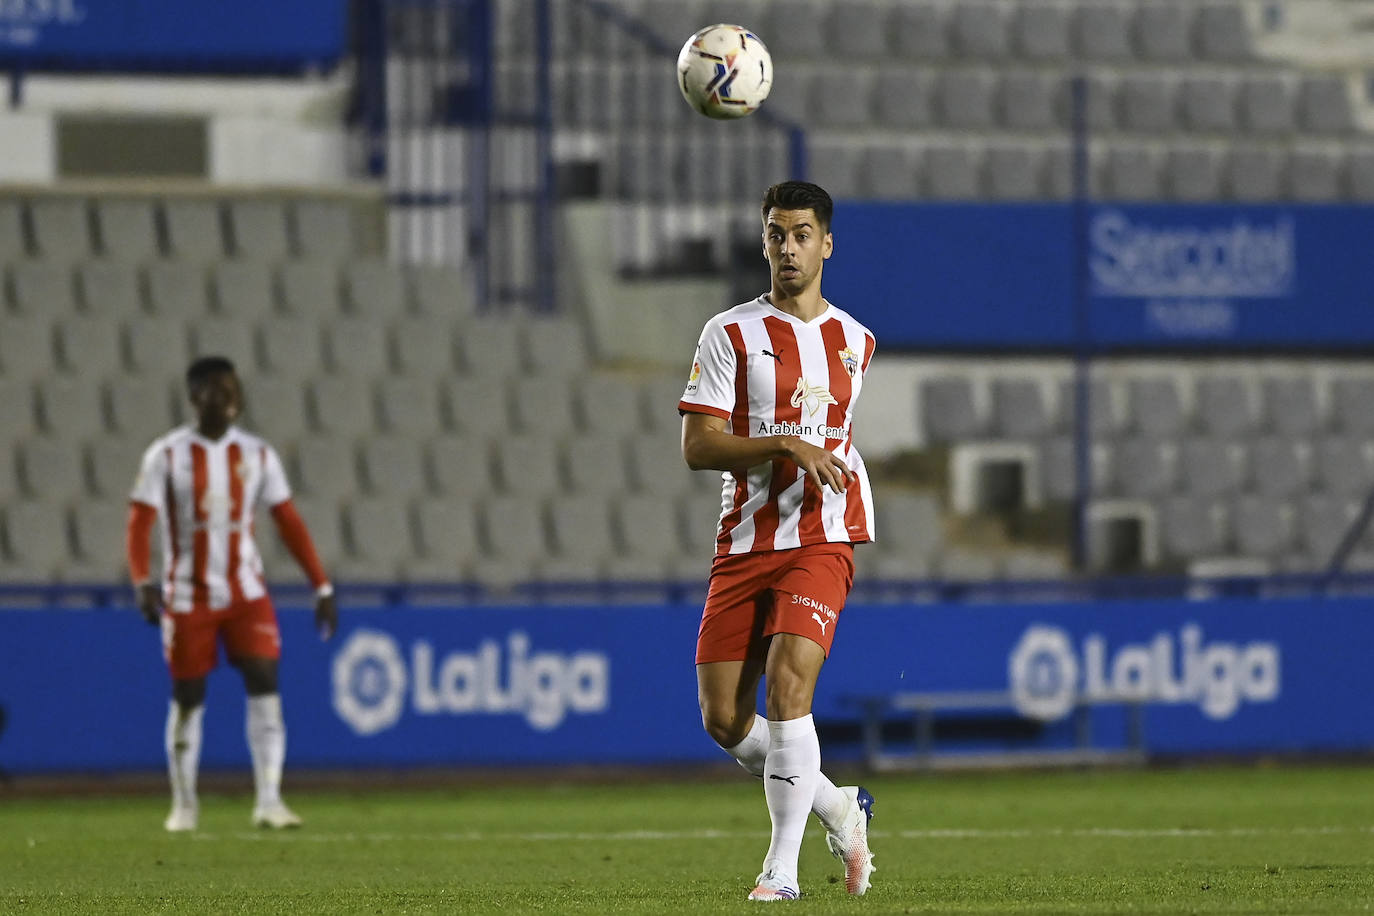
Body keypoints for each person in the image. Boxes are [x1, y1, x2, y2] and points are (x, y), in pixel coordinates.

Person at [678, 180, 878, 901]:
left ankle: (781, 874)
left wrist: (813, 460)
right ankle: (836, 804)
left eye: (800, 234)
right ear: (763, 242)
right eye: (775, 234)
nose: (787, 248)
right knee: (724, 719)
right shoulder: (728, 333)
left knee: (792, 689)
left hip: (825, 535)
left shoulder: (856, 341)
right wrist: (783, 443)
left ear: (826, 243)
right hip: (745, 541)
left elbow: (840, 443)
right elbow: (699, 448)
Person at [126, 355, 338, 832]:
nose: (227, 399)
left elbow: (289, 522)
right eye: (216, 391)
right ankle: (184, 806)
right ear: (195, 397)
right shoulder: (166, 455)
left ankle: (269, 800)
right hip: (188, 596)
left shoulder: (258, 455)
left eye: (233, 391)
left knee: (266, 682)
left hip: (246, 591)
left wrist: (320, 584)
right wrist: (142, 580)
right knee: (188, 696)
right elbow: (140, 522)